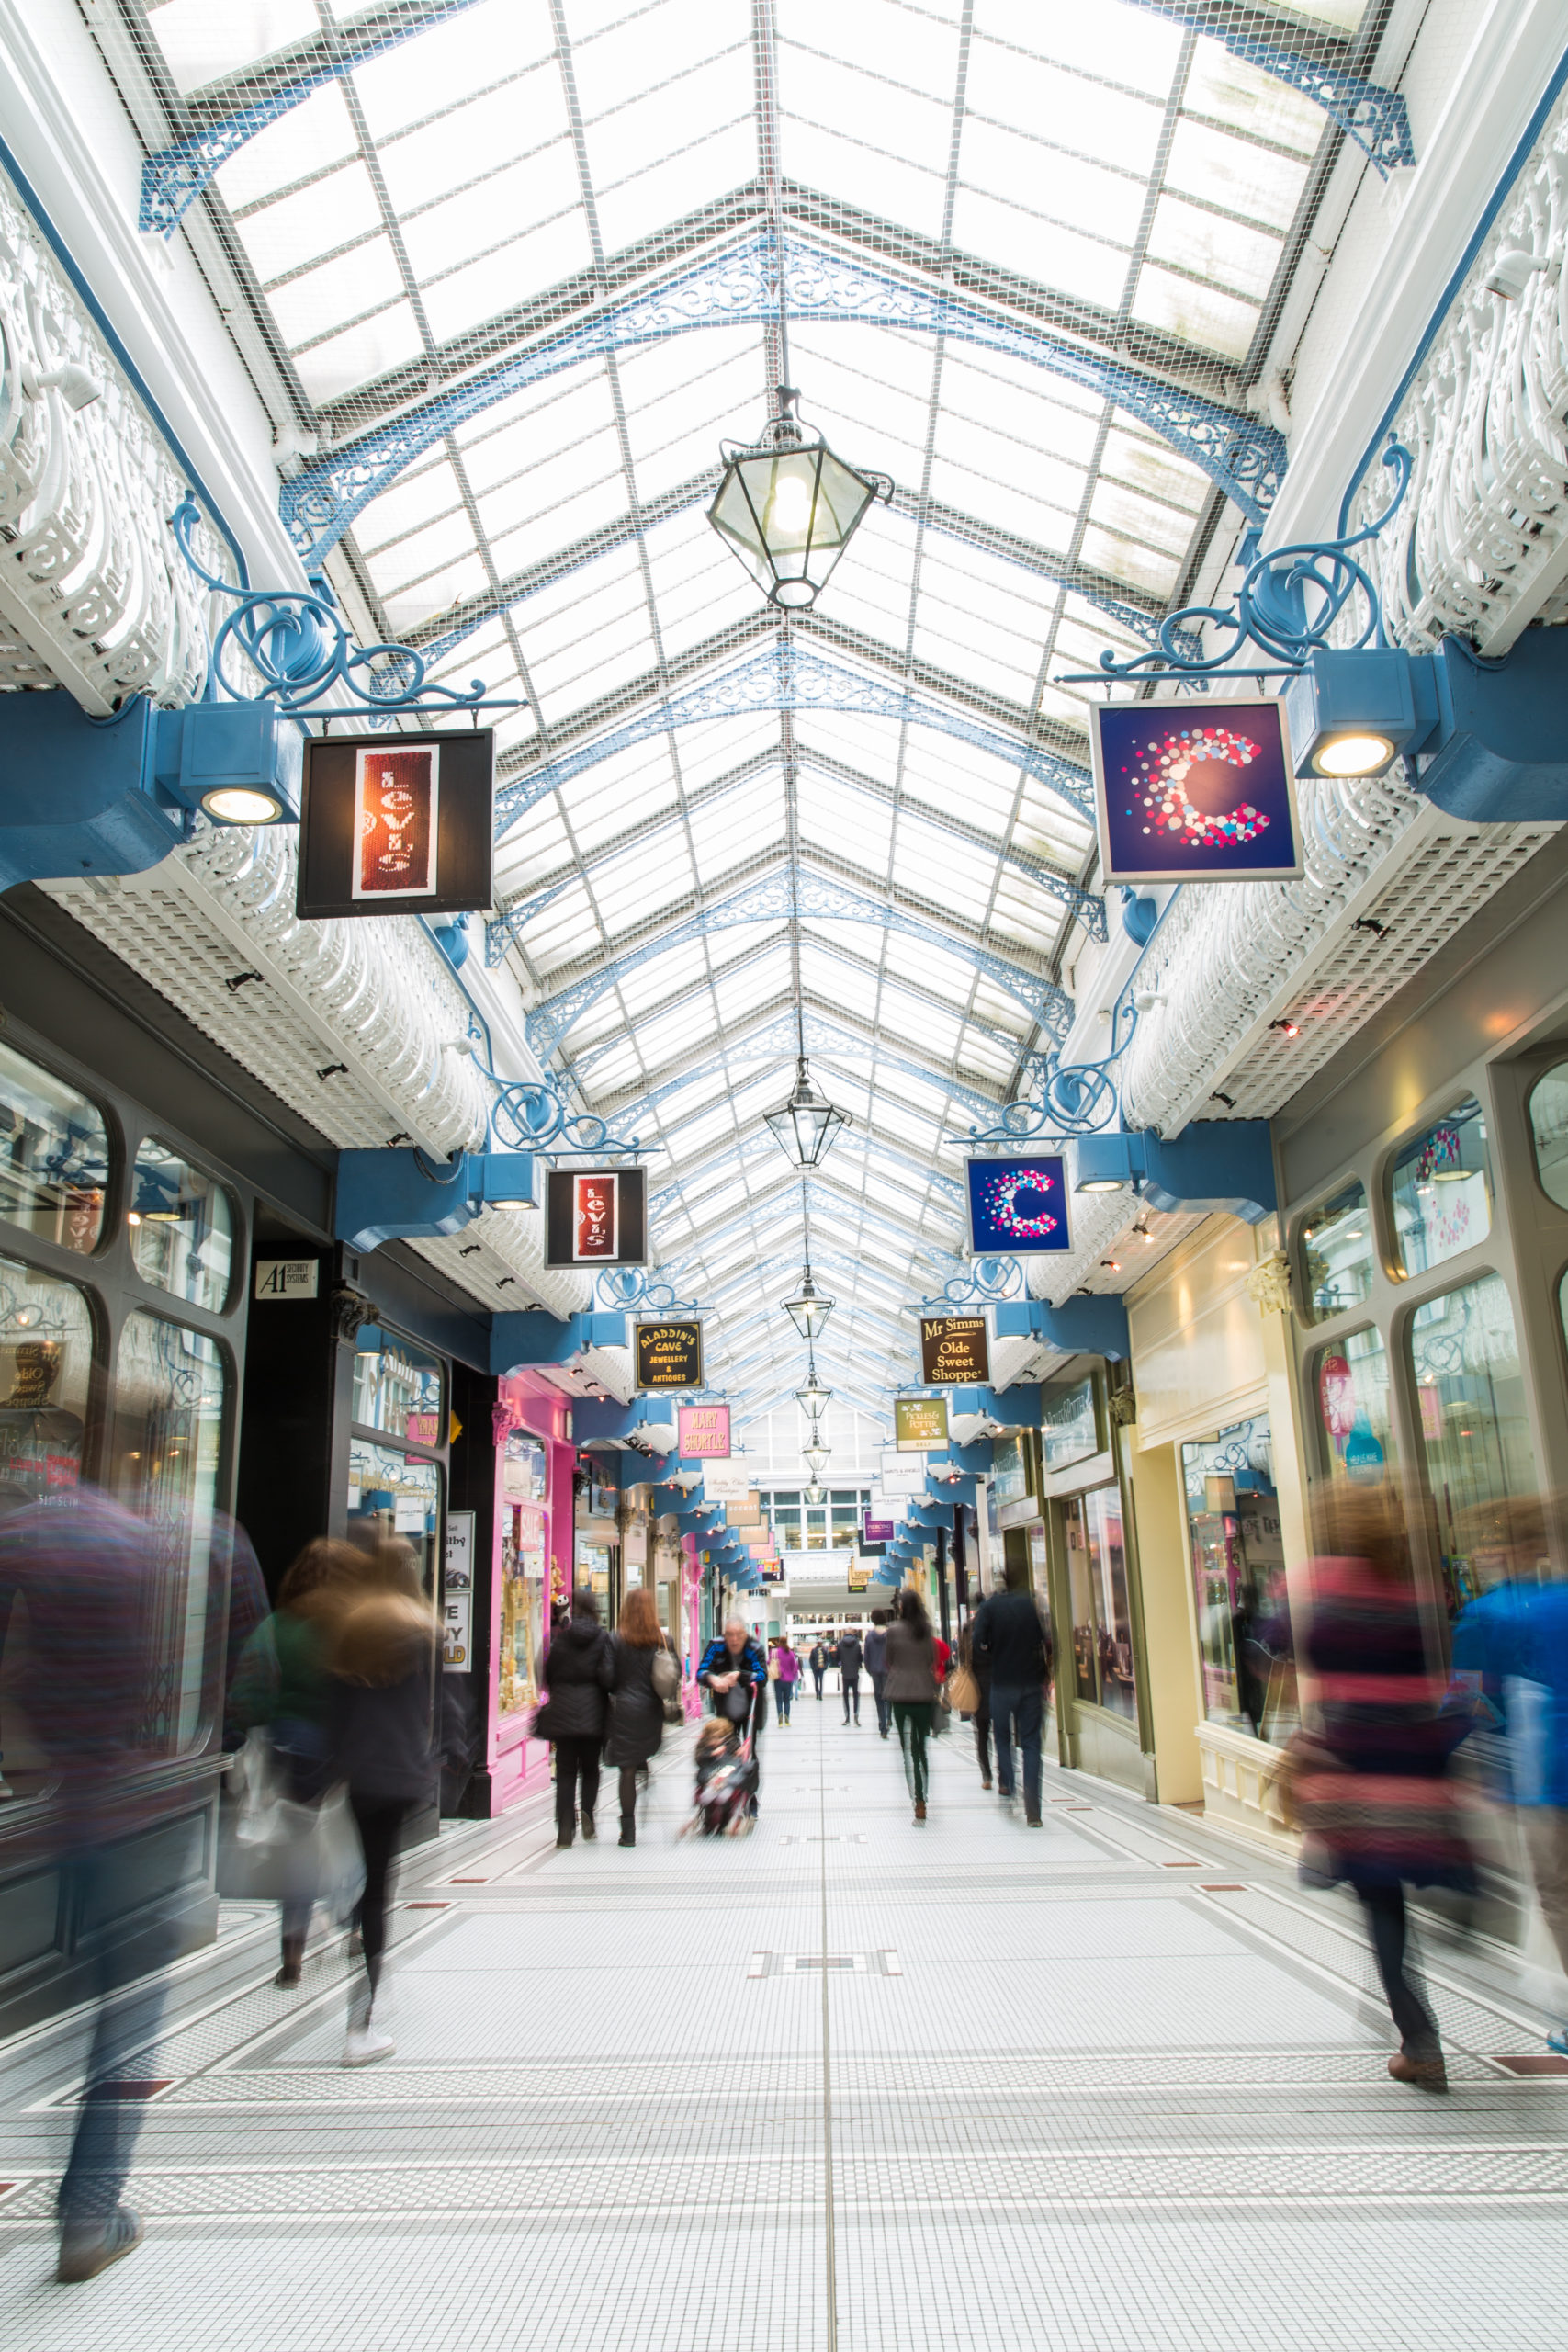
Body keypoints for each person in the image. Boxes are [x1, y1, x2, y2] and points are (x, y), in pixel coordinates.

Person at [0, 1485, 173, 2279]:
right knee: (125, 2021)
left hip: (52, 1804)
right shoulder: (158, 1545)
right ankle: (89, 2214)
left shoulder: (25, 1537)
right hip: (132, 1816)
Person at [1293, 1482, 1476, 2094]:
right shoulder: (1414, 1598)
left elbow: (1285, 1644)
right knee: (1412, 1882)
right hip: (1416, 1774)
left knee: (1382, 1908)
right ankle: (1462, 1905)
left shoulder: (1324, 1592)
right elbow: (1448, 1682)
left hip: (1356, 1778)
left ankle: (1419, 2041)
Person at [1450, 1498, 1568, 2050]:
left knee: (1558, 1891)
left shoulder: (1487, 1614)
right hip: (1540, 1772)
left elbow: (1467, 1699)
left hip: (1544, 1776)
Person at [228, 1535, 362, 1984]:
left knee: (298, 1849)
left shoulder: (276, 1624)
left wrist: (263, 1729)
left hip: (286, 1745)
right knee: (345, 1839)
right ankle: (355, 1927)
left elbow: (247, 1692)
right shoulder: (351, 1625)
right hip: (339, 1746)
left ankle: (292, 1958)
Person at [326, 1544, 440, 2067]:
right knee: (380, 1887)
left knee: (365, 1877)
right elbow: (429, 1710)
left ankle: (350, 1920)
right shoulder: (421, 1630)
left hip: (358, 1772)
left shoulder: (353, 1629)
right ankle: (361, 2024)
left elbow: (335, 1707)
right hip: (399, 1773)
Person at [973, 1562, 1051, 1826]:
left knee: (1002, 1738)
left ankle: (1007, 1782)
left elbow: (978, 1643)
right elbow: (1042, 1639)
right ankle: (1033, 1811)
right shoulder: (1029, 1604)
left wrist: (994, 1651)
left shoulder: (990, 1607)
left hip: (1002, 1682)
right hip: (1029, 1682)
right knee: (1031, 1745)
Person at [541, 1586, 615, 1849]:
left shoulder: (561, 1638)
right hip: (593, 1716)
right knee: (591, 1769)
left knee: (565, 1772)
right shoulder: (603, 1638)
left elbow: (547, 1675)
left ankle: (564, 1829)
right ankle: (588, 1814)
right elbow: (608, 1677)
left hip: (562, 1715)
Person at [606, 1586, 667, 1847]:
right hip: (651, 1710)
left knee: (626, 1771)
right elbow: (669, 1678)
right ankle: (643, 1764)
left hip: (624, 1711)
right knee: (639, 1755)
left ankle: (627, 1832)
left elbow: (607, 1679)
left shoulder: (614, 1639)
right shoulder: (661, 1640)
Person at [695, 1615, 769, 1802]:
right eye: (729, 1635)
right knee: (724, 1751)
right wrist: (713, 1679)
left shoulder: (754, 1648)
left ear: (745, 1635)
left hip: (750, 1710)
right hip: (725, 1712)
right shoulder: (716, 1646)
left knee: (748, 1753)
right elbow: (701, 1671)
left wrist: (739, 1676)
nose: (734, 1640)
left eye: (738, 1635)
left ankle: (750, 1798)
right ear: (724, 1635)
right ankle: (727, 1793)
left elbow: (762, 1676)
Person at [886, 1585, 940, 1822]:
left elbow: (889, 1660)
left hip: (900, 1695)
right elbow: (932, 1659)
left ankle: (915, 1798)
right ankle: (922, 1796)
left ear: (902, 1607)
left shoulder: (893, 1630)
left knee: (907, 1748)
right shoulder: (926, 1630)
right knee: (921, 1746)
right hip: (924, 1694)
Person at [958, 1613, 994, 1791]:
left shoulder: (967, 1632)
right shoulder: (995, 1630)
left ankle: (987, 1775)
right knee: (1002, 1733)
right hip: (997, 1686)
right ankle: (1004, 1778)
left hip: (976, 1689)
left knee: (982, 1734)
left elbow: (963, 1662)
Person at [864, 1609, 891, 1737]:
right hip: (887, 1671)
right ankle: (889, 1718)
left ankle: (882, 1726)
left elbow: (866, 1657)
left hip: (875, 1671)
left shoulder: (869, 1637)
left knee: (879, 1698)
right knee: (889, 1697)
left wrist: (870, 1670)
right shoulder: (890, 1635)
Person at [839, 1624, 864, 1724]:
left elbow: (837, 1658)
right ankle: (856, 1716)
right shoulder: (857, 1643)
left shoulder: (840, 1644)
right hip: (855, 1673)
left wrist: (842, 1663)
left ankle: (847, 1717)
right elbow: (860, 1658)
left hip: (845, 1673)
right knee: (856, 1695)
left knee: (845, 1695)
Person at [773, 1636, 800, 1724]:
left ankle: (780, 1714)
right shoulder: (790, 1653)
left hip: (778, 1679)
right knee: (787, 1700)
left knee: (779, 1699)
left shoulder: (775, 1652)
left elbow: (769, 1662)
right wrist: (795, 1676)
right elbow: (795, 1667)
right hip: (788, 1680)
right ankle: (787, 1717)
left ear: (779, 1642)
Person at [809, 1635, 828, 1700]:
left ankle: (820, 1694)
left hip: (821, 1668)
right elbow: (811, 1659)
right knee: (816, 1681)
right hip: (815, 1668)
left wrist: (825, 1666)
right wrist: (813, 1667)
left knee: (821, 1681)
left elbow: (827, 1659)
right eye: (818, 1642)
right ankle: (817, 1693)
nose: (819, 1644)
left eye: (820, 1642)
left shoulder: (824, 1650)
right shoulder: (814, 1650)